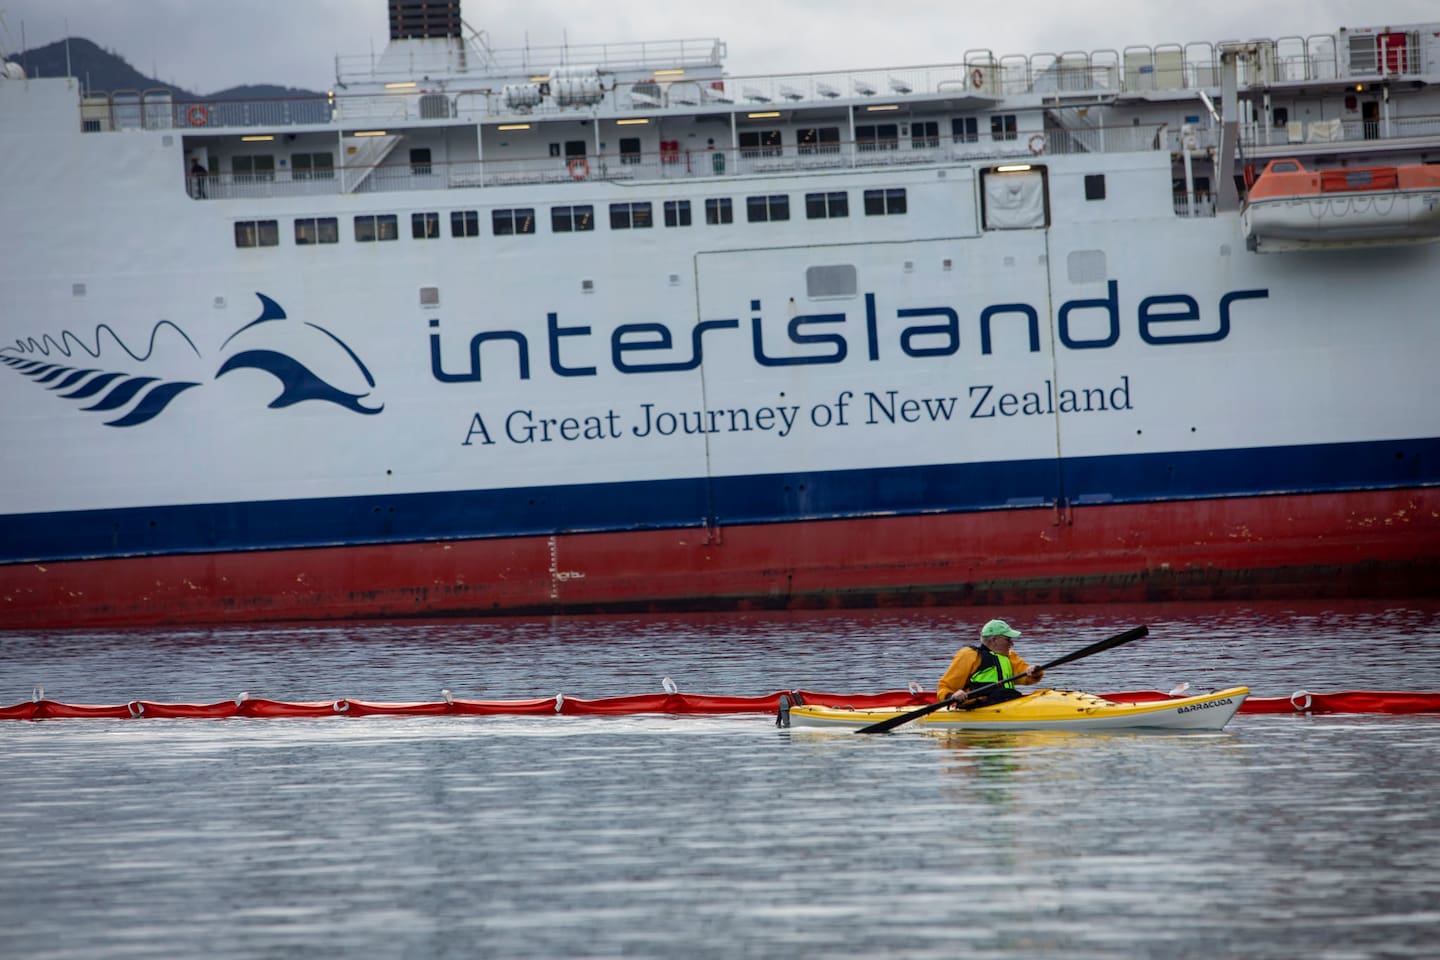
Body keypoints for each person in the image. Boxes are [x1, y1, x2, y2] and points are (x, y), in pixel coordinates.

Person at [936, 619, 1045, 707]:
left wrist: (1035, 671)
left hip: (1007, 701)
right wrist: (951, 696)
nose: (1012, 643)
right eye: (1008, 639)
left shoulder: (1009, 656)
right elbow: (944, 686)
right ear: (994, 640)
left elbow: (1026, 676)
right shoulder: (969, 655)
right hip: (979, 706)